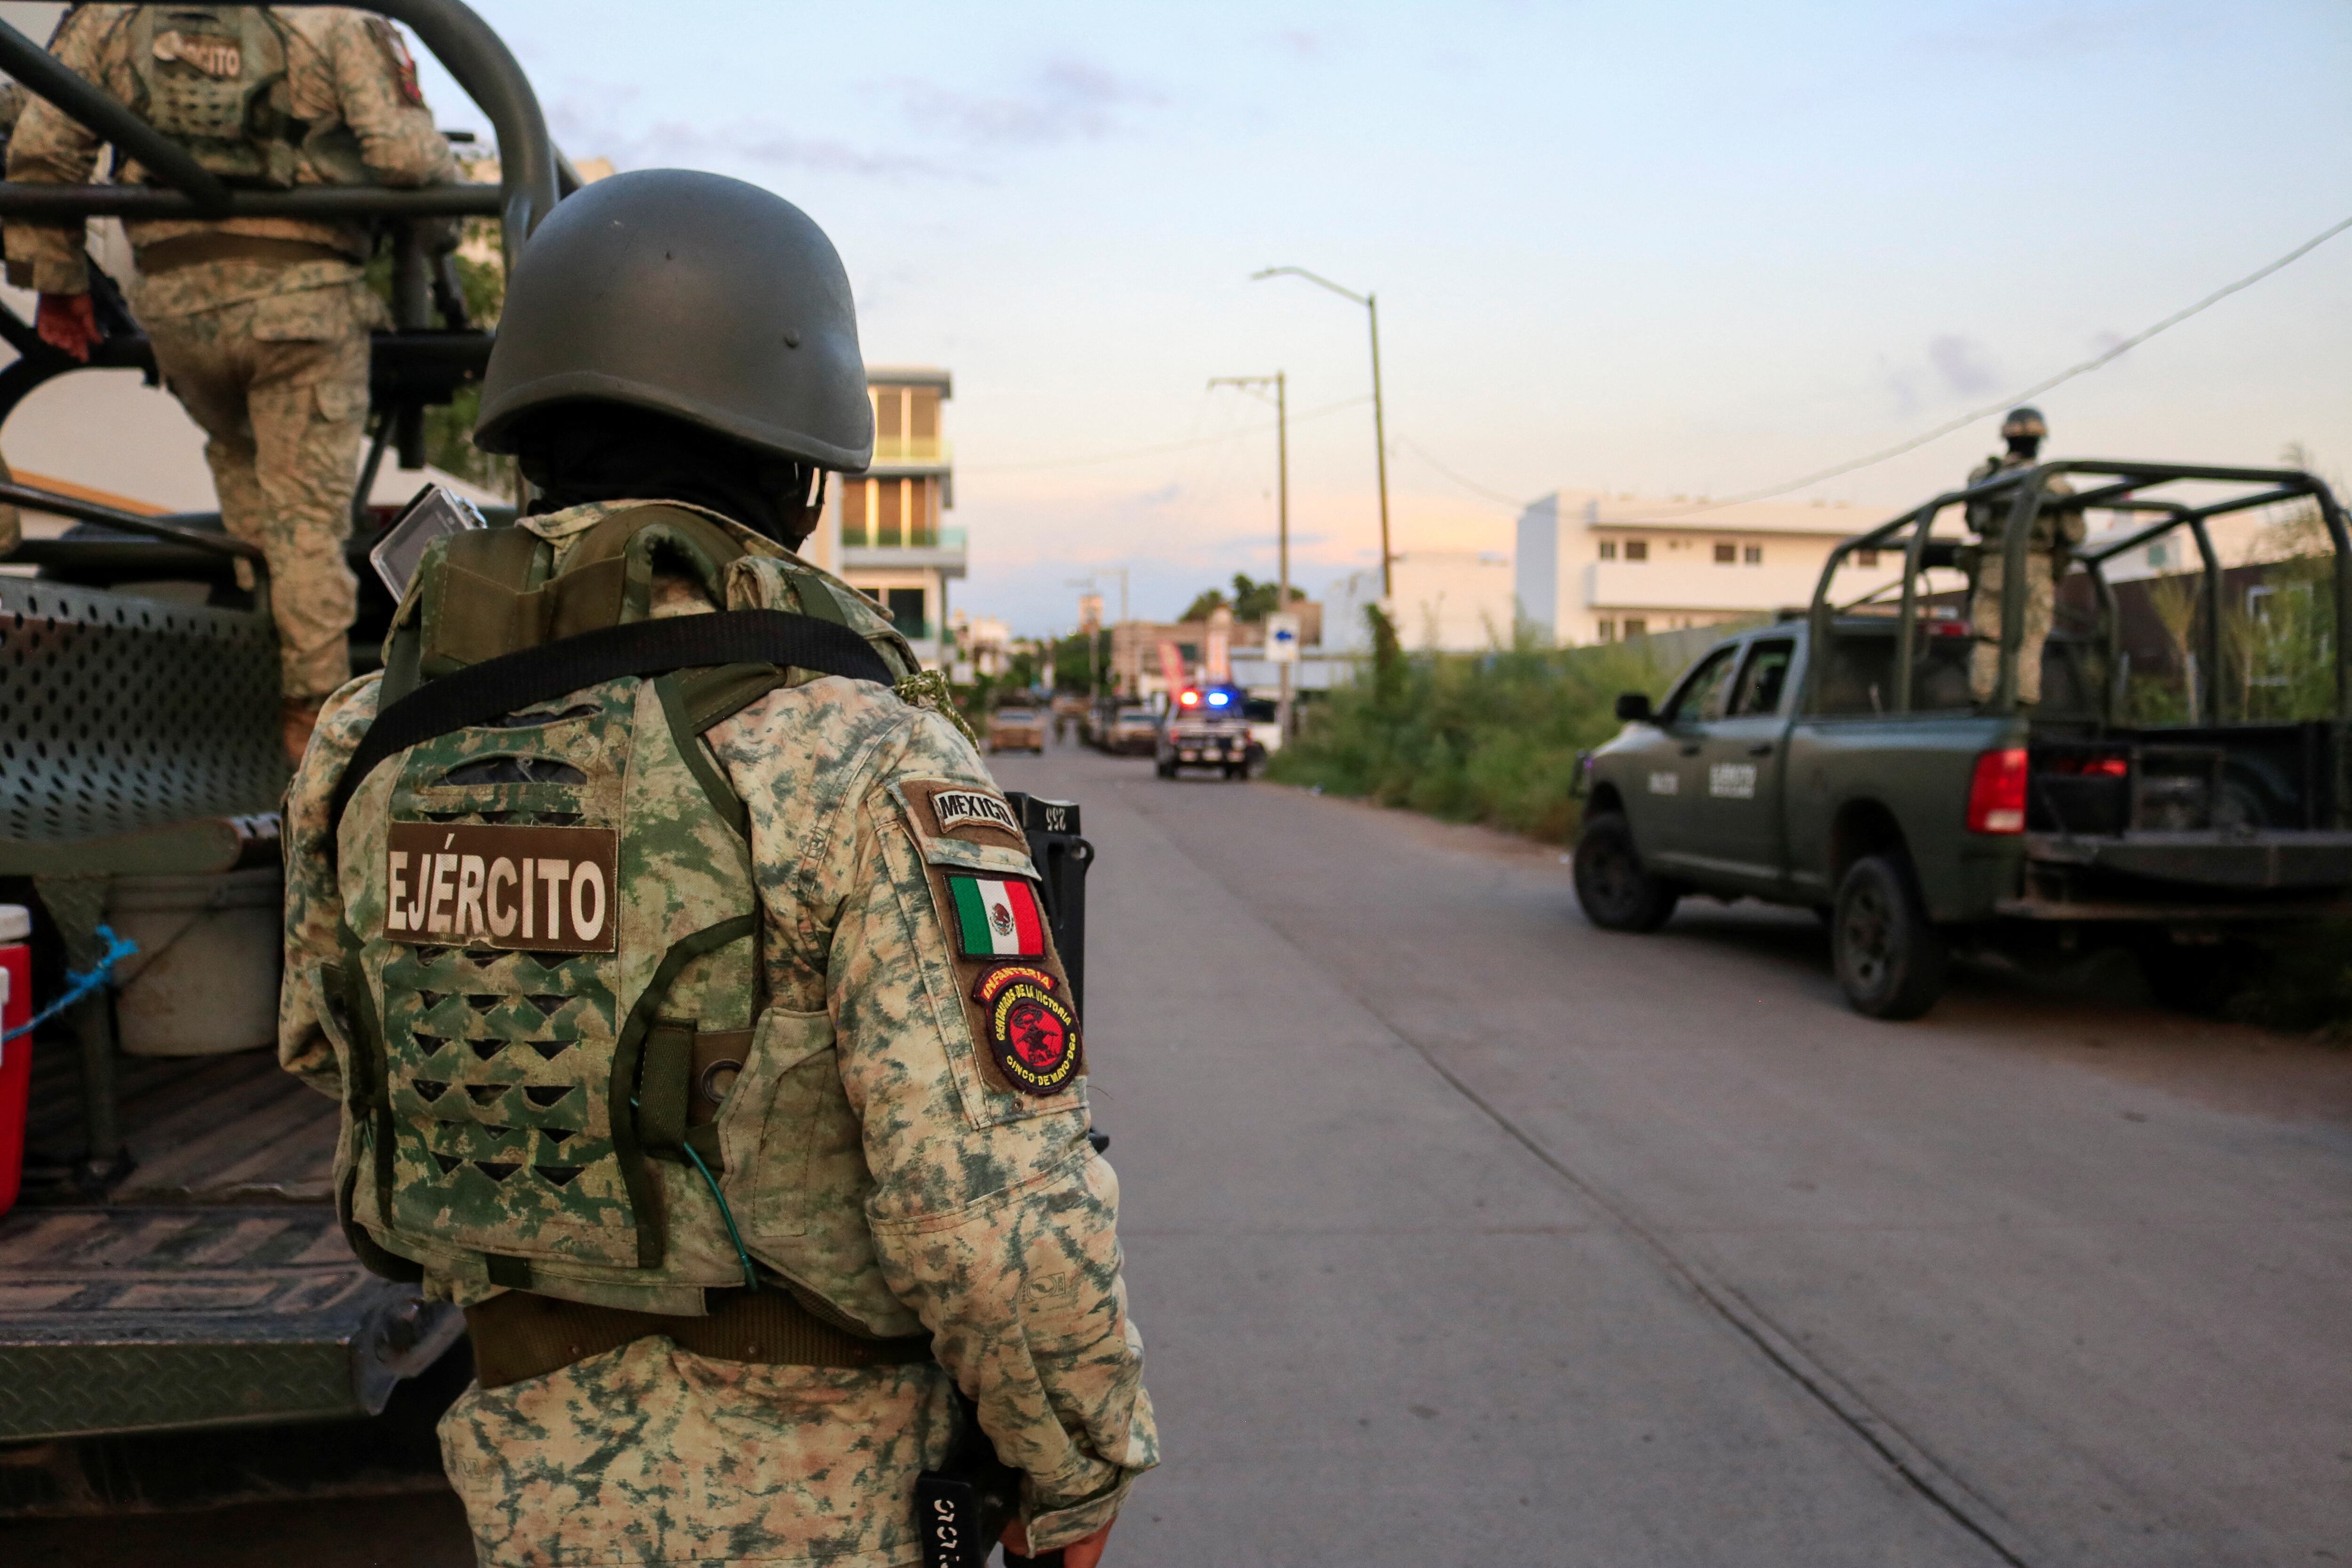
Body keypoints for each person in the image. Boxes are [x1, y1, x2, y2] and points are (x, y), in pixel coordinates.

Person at [275, 168, 1155, 1568]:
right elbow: (990, 1212)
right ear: (800, 461)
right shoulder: (862, 753)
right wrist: (1072, 1472)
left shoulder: (369, 736)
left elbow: (339, 1054)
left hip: (521, 1471)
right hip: (823, 1497)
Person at [5, 5, 457, 760]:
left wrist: (57, 281)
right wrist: (444, 222)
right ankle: (311, 728)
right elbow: (407, 158)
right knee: (307, 522)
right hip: (301, 305)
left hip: (179, 311)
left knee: (250, 487)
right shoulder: (337, 19)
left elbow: (45, 146)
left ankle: (251, 668)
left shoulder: (114, 16)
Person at [1963, 405, 2080, 706]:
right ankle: (2023, 702)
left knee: (1989, 637)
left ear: (2006, 439)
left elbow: (1973, 521)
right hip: (2035, 566)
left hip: (1992, 564)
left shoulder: (1985, 477)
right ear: (2040, 442)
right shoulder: (2054, 482)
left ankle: (1983, 698)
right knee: (2030, 638)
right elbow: (2075, 533)